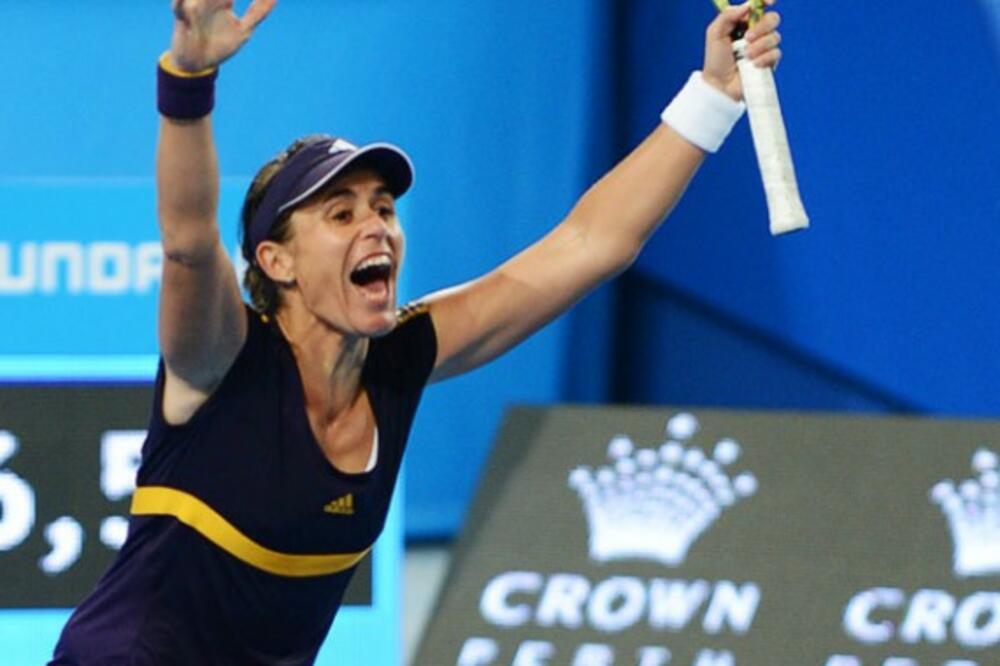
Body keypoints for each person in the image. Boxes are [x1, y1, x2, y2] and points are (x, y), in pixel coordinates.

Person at [50, 0, 783, 663]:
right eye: (340, 214)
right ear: (275, 261)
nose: (375, 226)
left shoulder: (400, 358)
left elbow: (590, 243)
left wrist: (713, 95)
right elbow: (186, 239)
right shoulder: (219, 359)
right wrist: (189, 79)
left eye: (383, 209)